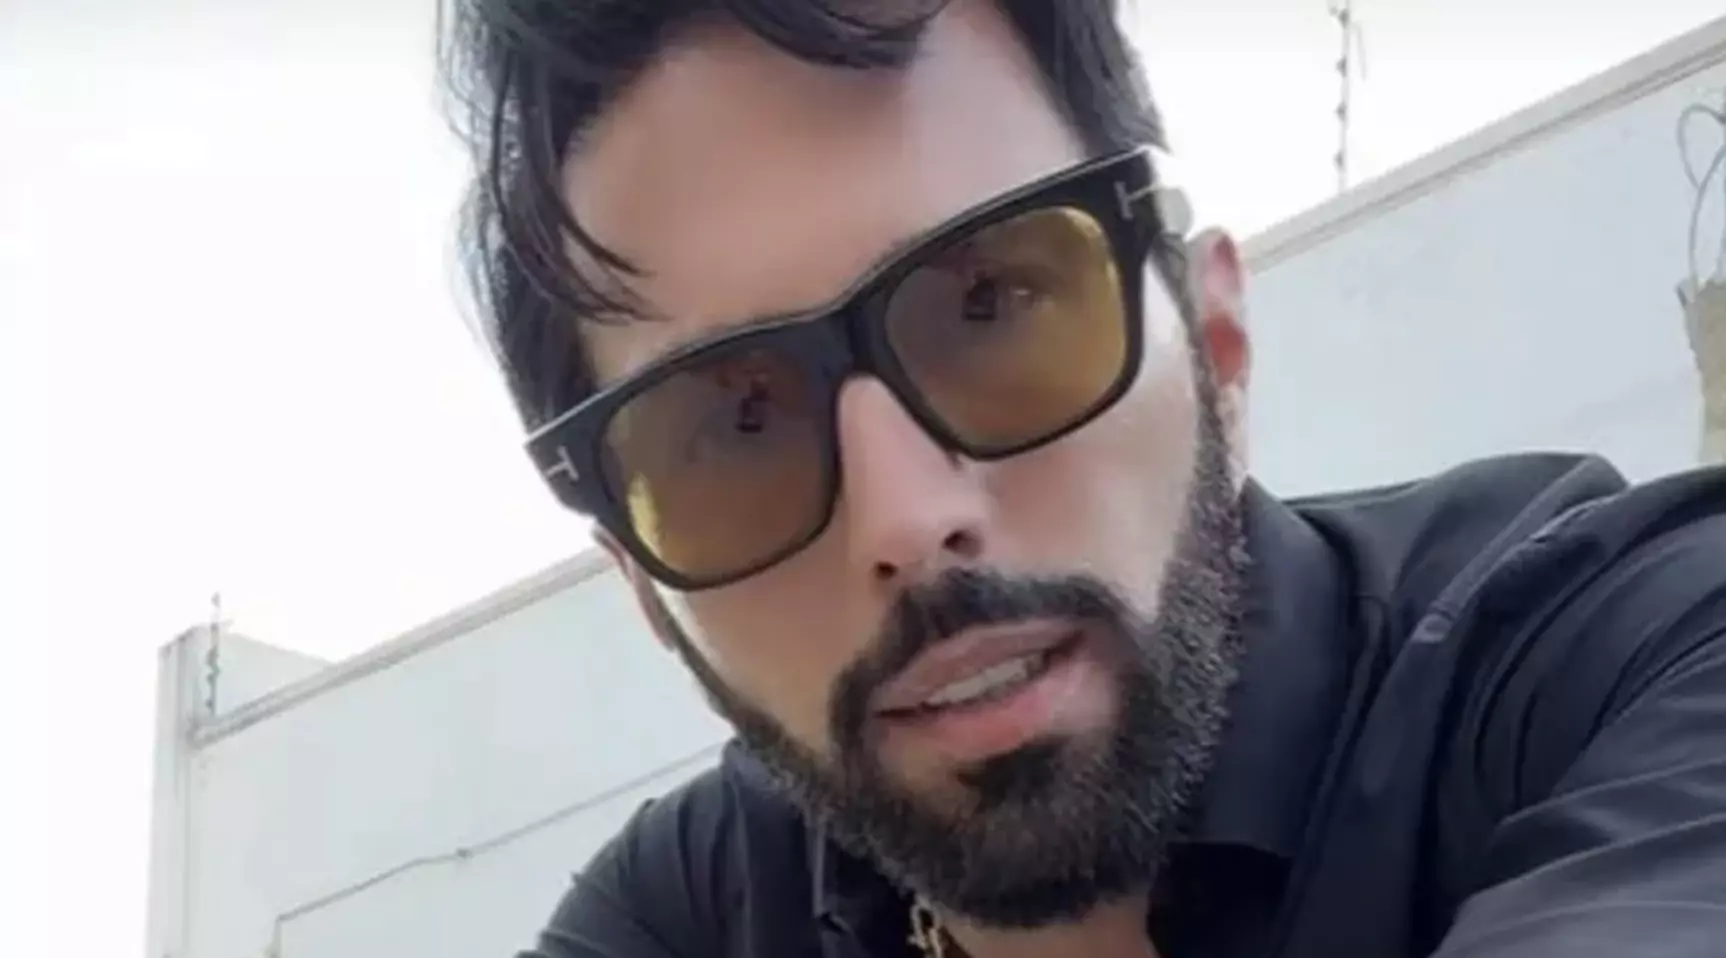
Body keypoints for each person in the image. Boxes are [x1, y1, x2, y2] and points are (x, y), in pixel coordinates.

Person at [438, 2, 1726, 956]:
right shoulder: (691, 912)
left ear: (1215, 342)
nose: (910, 518)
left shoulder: (1639, 657)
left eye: (991, 305)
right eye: (736, 425)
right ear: (645, 591)